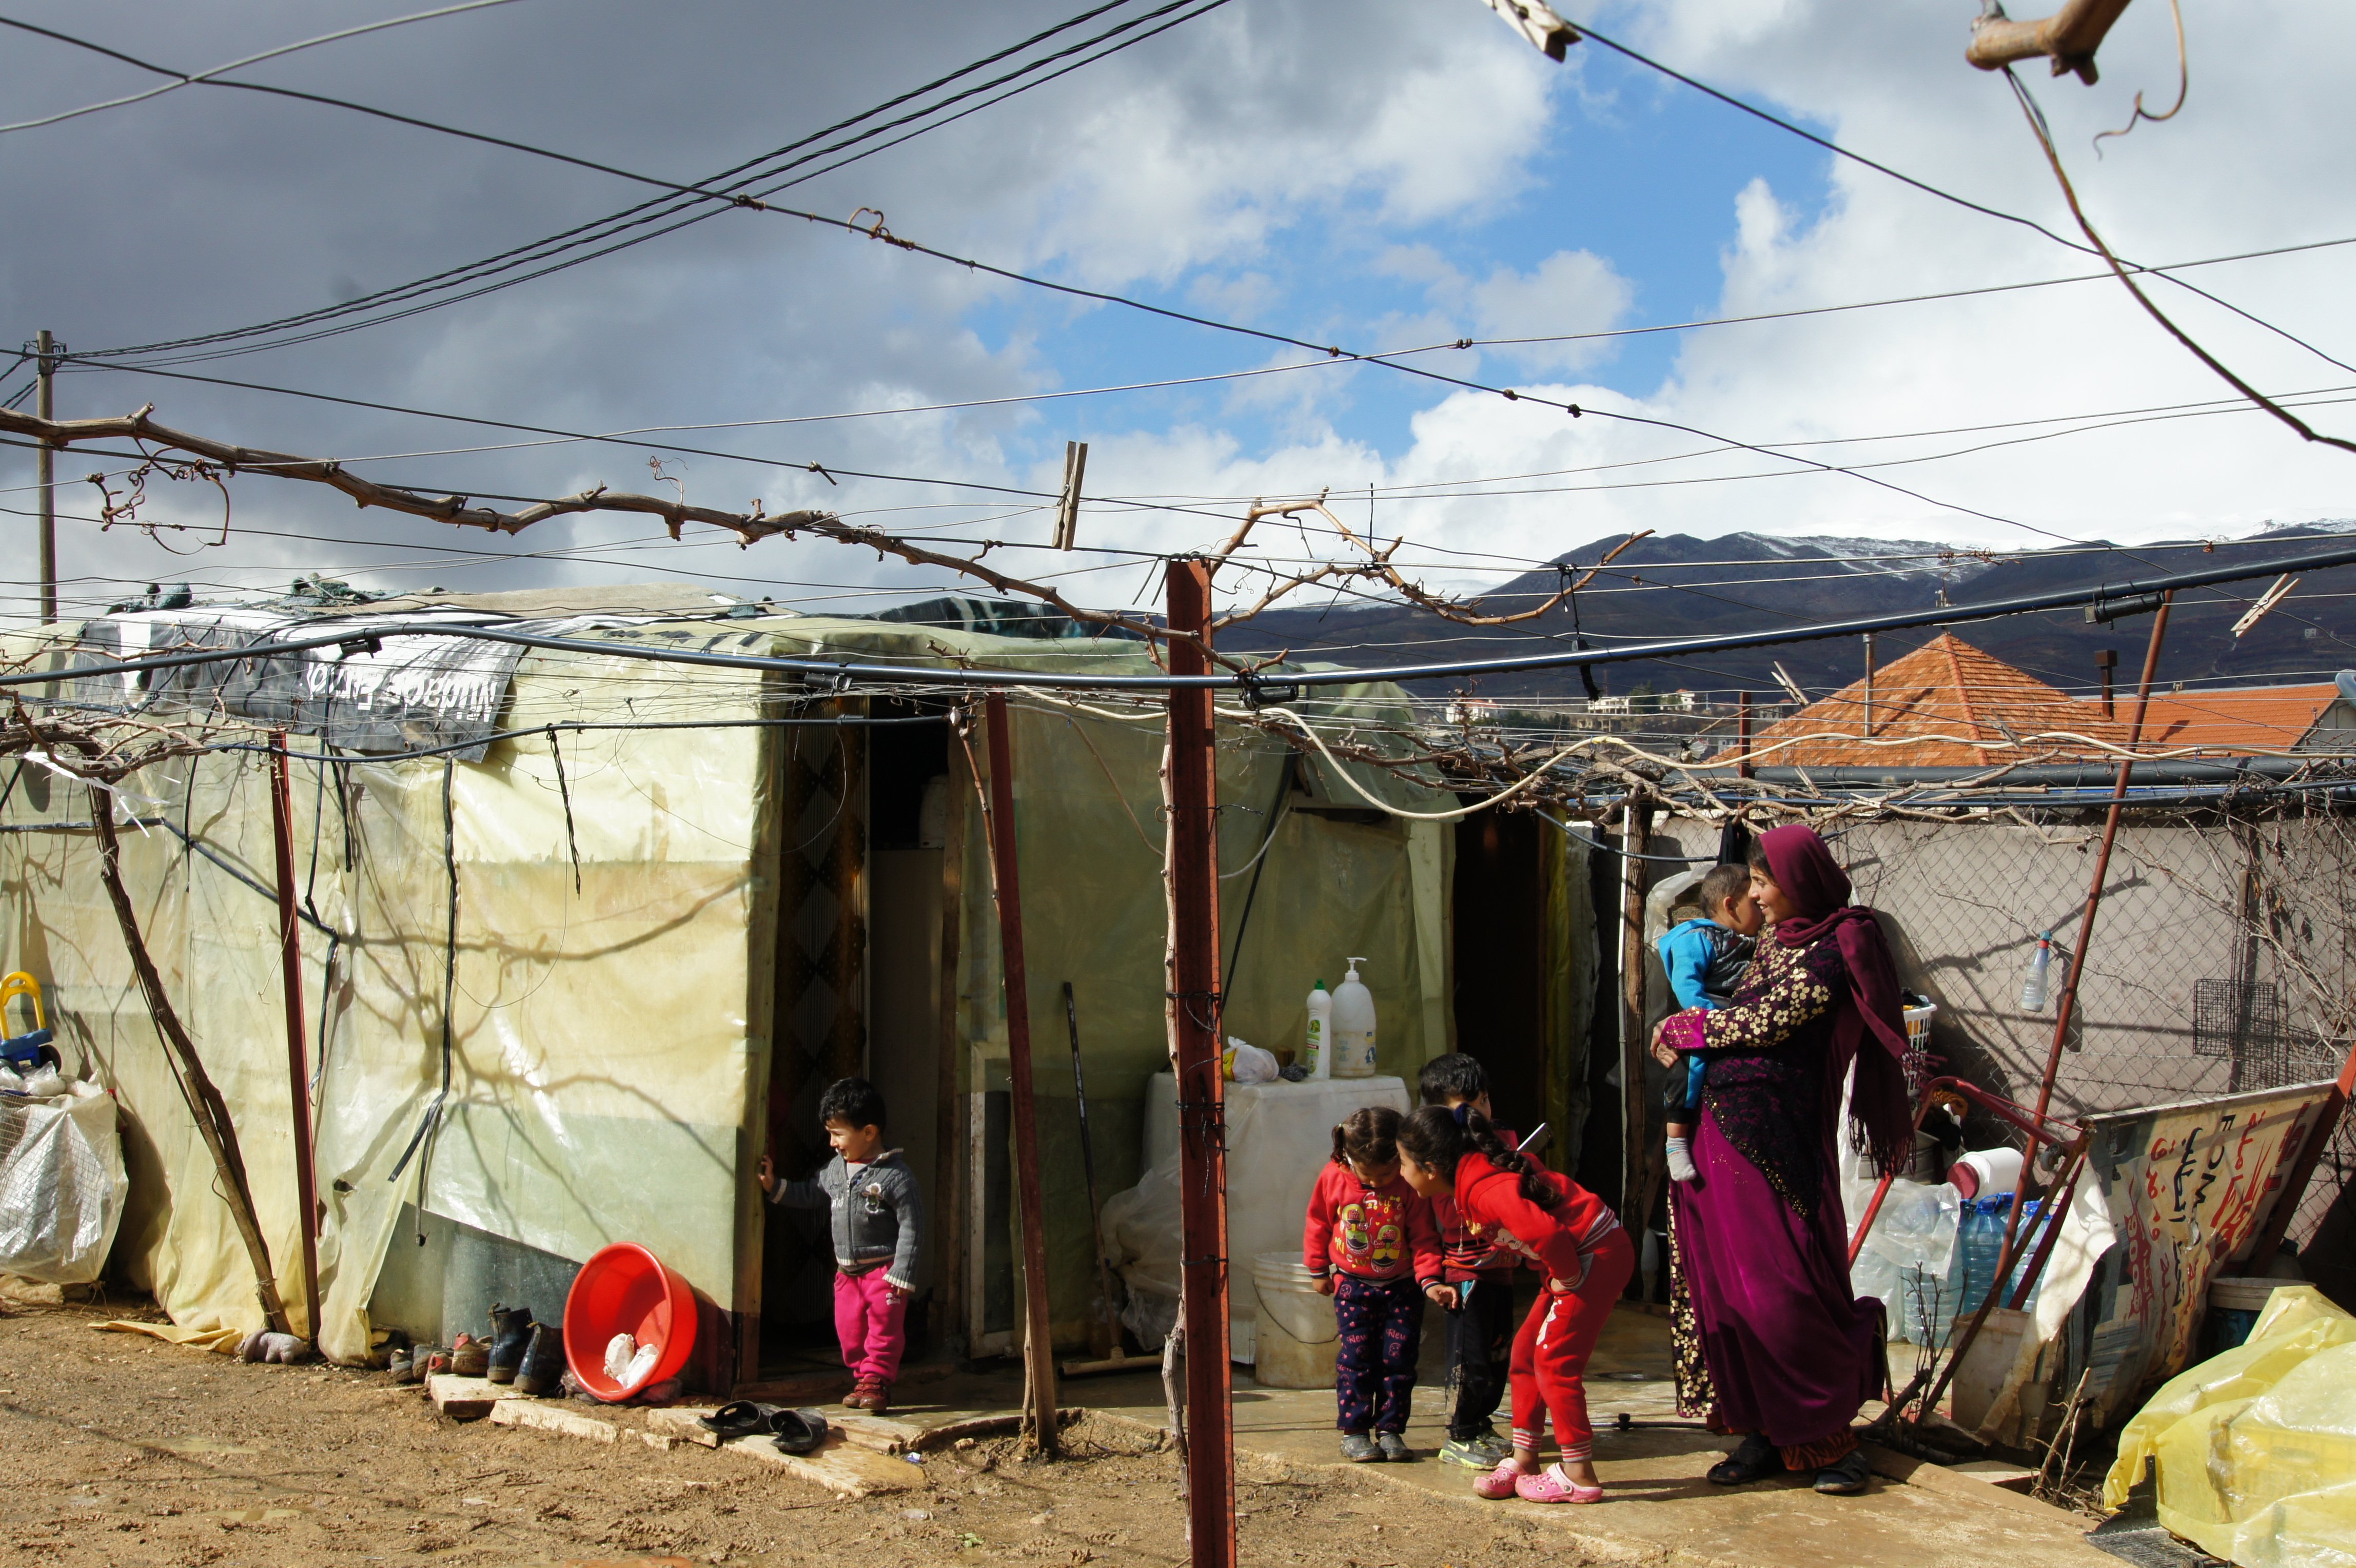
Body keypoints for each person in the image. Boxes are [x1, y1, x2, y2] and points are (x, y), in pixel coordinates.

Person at [1649, 823, 1913, 1497]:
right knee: (1729, 1286)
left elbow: (1774, 1019)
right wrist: (1685, 1030)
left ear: (1802, 880)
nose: (1757, 894)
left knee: (1781, 1289)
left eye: (1765, 881)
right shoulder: (1772, 940)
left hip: (1782, 1142)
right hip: (1718, 1130)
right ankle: (1764, 1426)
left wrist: (1688, 1027)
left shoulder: (1840, 942)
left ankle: (1827, 1436)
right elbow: (1739, 1007)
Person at [1396, 1104, 1631, 1505]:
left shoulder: (1486, 1190)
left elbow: (1547, 1233)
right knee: (1525, 1354)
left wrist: (1569, 1278)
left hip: (1594, 1256)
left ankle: (1579, 1474)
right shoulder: (1473, 1182)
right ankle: (1525, 1460)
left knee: (1554, 1361)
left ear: (1431, 1168)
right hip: (1577, 1261)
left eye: (1403, 1163)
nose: (1401, 1172)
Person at [759, 1076, 924, 1414]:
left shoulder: (896, 1177)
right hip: (847, 1274)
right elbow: (809, 1194)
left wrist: (902, 1272)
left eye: (838, 1134)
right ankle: (863, 1378)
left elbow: (912, 1225)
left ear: (869, 1132)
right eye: (830, 1133)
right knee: (849, 1331)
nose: (833, 1143)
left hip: (884, 1272)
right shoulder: (835, 1170)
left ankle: (877, 1383)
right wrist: (775, 1186)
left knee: (883, 1331)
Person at [1303, 1105, 1449, 1463]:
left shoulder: (1410, 1185)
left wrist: (1430, 1280)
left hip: (1403, 1287)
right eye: (1368, 1175)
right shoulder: (1332, 1177)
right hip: (1352, 1287)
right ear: (1349, 1158)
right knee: (1356, 1360)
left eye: (1387, 1173)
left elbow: (1425, 1237)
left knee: (1399, 1360)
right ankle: (1354, 1432)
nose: (1378, 1182)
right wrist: (1318, 1270)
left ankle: (1391, 1430)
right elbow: (1318, 1223)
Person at [1416, 1054, 1521, 1469]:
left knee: (1499, 1353)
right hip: (1465, 1275)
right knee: (1469, 1356)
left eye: (1484, 1101)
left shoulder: (1503, 1140)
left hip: (1503, 1268)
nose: (1480, 1113)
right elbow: (1424, 1229)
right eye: (1468, 1106)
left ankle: (1481, 1425)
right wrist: (1430, 1278)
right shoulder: (1433, 1160)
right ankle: (1460, 1433)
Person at [1656, 864, 1763, 1184]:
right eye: (1753, 903)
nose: (1760, 907)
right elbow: (1686, 983)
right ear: (1731, 906)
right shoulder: (1696, 938)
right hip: (1706, 1016)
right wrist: (1707, 1018)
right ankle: (1675, 1142)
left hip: (1732, 1016)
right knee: (1689, 1068)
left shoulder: (1749, 941)